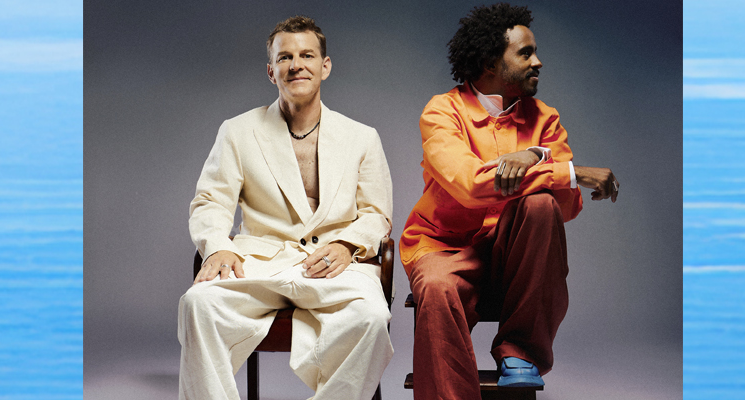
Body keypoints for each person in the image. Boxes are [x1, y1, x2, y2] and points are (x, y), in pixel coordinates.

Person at [401, 3, 621, 399]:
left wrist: (535, 156)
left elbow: (565, 208)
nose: (538, 62)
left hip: (513, 256)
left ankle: (520, 352)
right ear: (489, 62)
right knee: (434, 287)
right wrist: (567, 170)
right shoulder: (442, 112)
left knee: (541, 205)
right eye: (525, 53)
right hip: (446, 248)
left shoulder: (544, 117)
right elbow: (470, 185)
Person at [177, 15, 396, 400]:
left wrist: (347, 245)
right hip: (258, 266)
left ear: (325, 66)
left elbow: (376, 213)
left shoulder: (362, 137)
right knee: (197, 303)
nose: (296, 65)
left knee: (373, 317)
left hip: (334, 267)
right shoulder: (237, 131)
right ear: (271, 71)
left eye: (307, 55)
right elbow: (210, 201)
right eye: (285, 57)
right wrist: (218, 246)